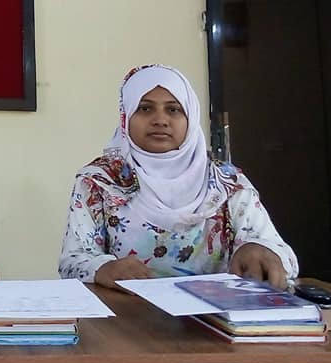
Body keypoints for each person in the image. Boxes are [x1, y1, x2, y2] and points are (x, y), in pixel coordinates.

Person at [59, 64, 298, 290]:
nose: (160, 120)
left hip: (216, 313)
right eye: (145, 108)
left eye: (173, 109)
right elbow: (72, 261)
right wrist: (103, 268)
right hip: (127, 311)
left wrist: (261, 250)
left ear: (190, 117)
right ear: (126, 117)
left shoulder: (227, 183)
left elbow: (284, 256)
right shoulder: (99, 181)